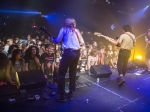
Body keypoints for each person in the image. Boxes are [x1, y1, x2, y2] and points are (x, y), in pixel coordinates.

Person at [51, 18, 85, 102]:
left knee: (61, 73)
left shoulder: (63, 29)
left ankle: (62, 95)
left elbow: (57, 40)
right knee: (72, 73)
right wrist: (75, 45)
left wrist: (52, 39)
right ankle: (71, 94)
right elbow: (82, 43)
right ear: (73, 24)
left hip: (68, 53)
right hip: (77, 53)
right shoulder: (76, 31)